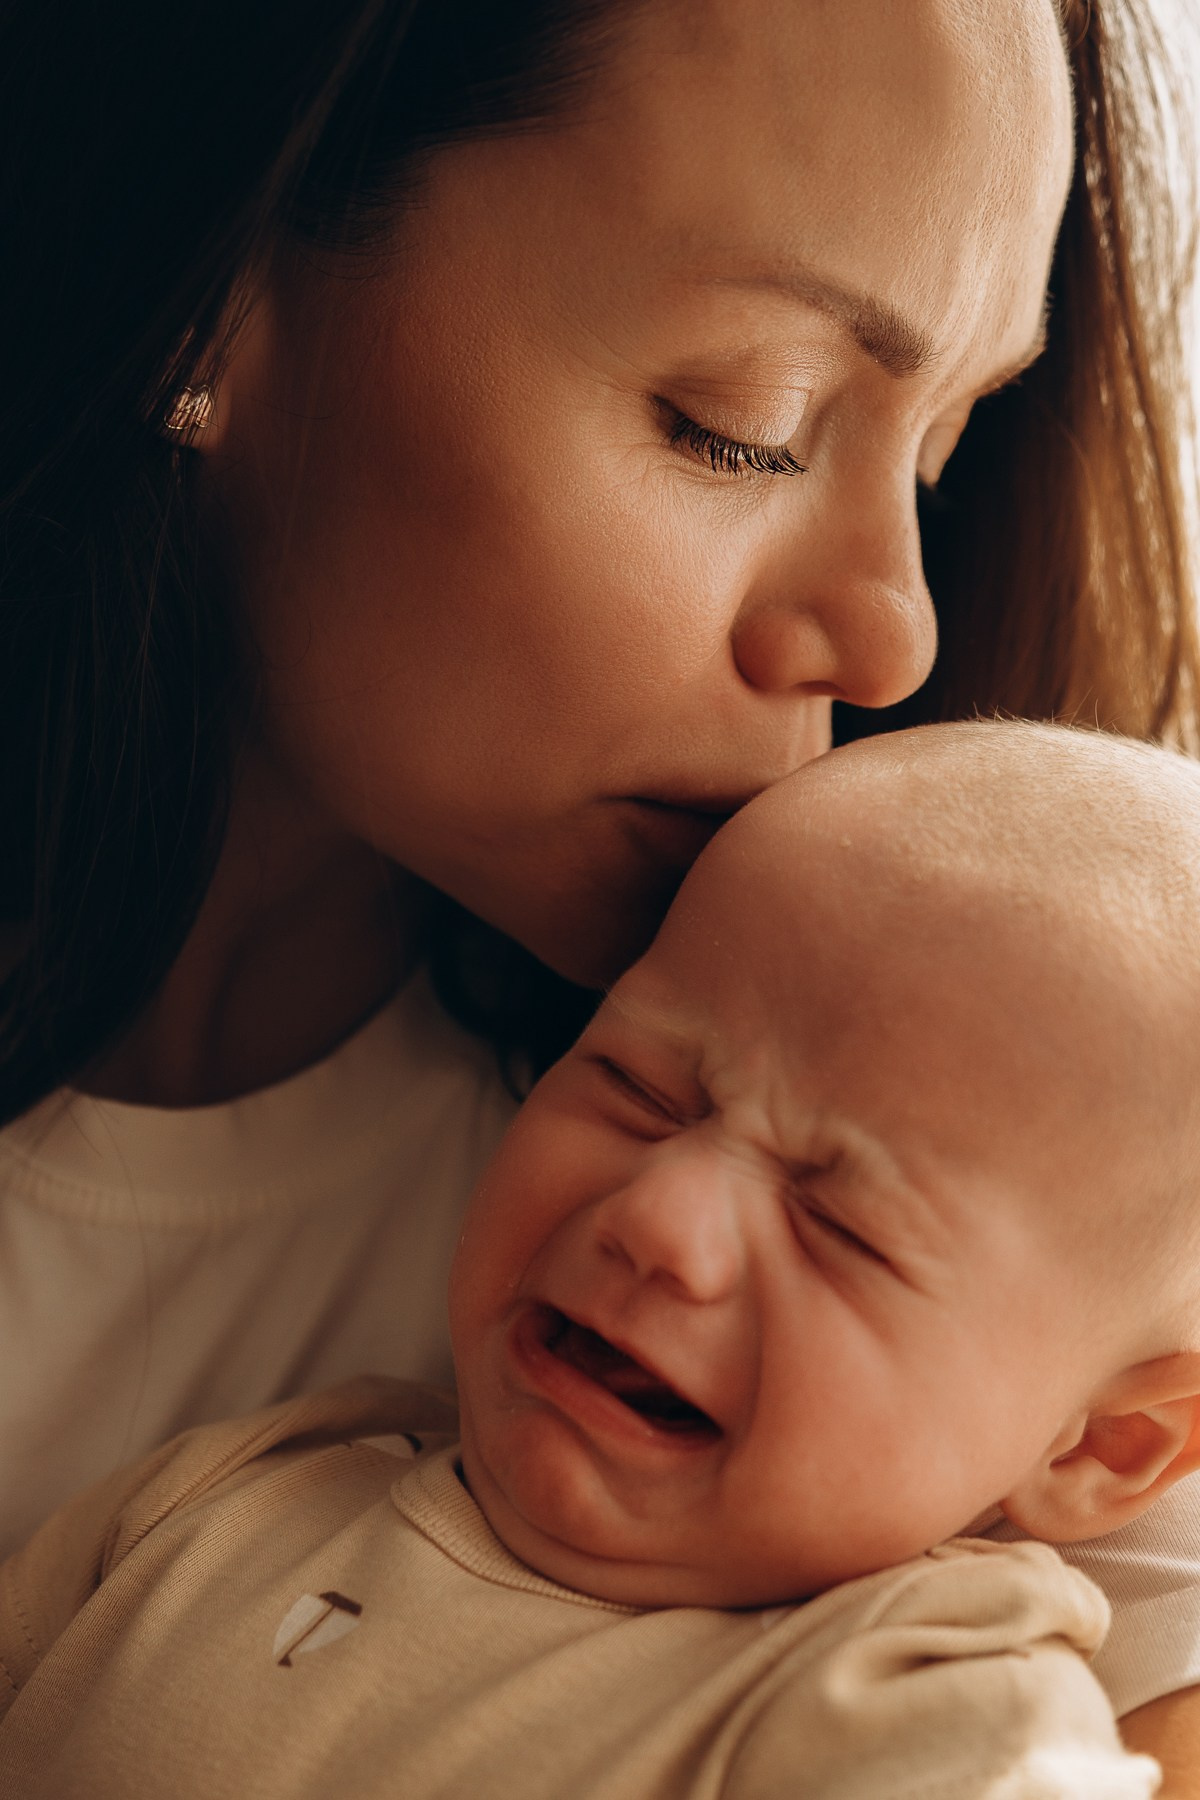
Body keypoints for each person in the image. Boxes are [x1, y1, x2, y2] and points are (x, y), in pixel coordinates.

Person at [1, 0, 1198, 1784]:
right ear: (208, 290)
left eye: (943, 454)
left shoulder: (1026, 1234)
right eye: (748, 423)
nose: (899, 628)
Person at [6, 717, 1200, 1797]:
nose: (661, 1215)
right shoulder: (234, 1494)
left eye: (843, 1225)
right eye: (638, 1088)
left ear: (1105, 1446)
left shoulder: (926, 1709)